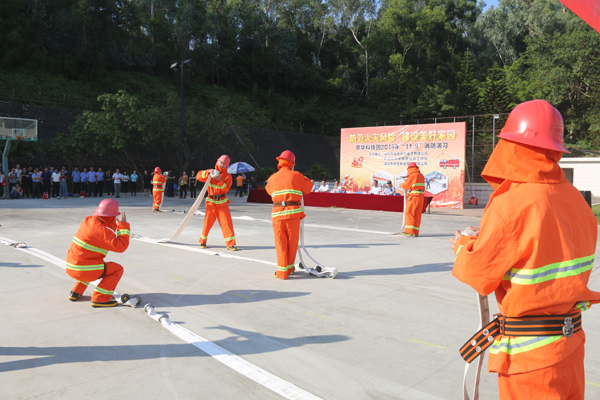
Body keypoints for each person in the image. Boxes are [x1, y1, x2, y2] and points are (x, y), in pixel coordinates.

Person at [450, 100, 600, 400]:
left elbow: (479, 274)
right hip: (571, 347)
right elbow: (545, 246)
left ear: (510, 145)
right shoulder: (576, 200)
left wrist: (463, 246)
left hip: (531, 359)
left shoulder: (511, 204)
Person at [65, 199, 130, 307]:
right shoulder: (102, 231)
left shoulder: (88, 221)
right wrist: (123, 226)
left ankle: (76, 292)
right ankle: (100, 298)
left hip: (72, 266)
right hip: (83, 269)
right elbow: (121, 247)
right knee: (117, 269)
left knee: (90, 264)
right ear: (111, 217)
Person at [266, 150, 313, 280]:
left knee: (280, 242)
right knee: (292, 243)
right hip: (293, 214)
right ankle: (290, 268)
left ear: (280, 162)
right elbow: (308, 188)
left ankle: (282, 271)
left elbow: (269, 191)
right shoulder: (296, 175)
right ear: (292, 163)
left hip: (277, 214)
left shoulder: (272, 178)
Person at [196, 155, 237, 250]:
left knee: (226, 223)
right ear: (217, 161)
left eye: (224, 164)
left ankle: (230, 244)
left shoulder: (228, 176)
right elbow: (198, 176)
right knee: (207, 223)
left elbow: (226, 189)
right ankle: (202, 241)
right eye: (220, 162)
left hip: (222, 203)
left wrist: (219, 180)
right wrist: (208, 172)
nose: (221, 165)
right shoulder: (211, 173)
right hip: (211, 202)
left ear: (226, 166)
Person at [399, 163, 425, 236]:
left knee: (409, 212)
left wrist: (401, 184)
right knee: (417, 214)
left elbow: (405, 186)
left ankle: (409, 231)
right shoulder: (421, 175)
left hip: (414, 196)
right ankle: (415, 232)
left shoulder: (413, 175)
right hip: (421, 196)